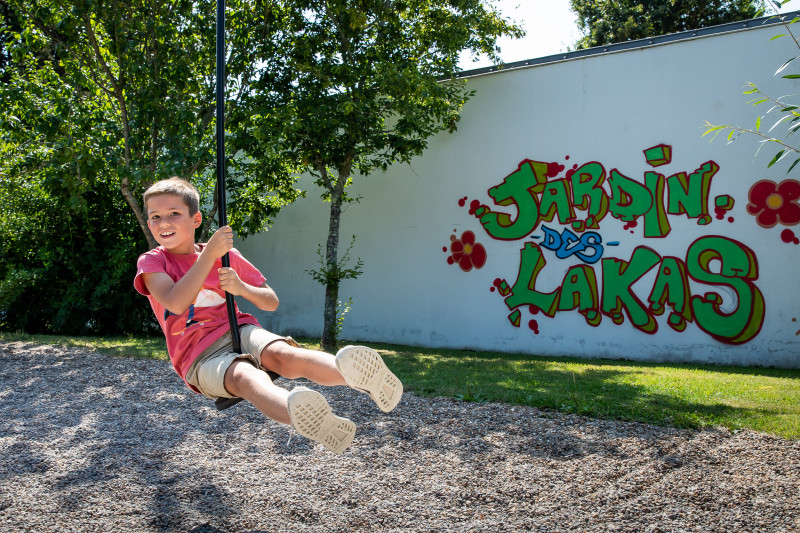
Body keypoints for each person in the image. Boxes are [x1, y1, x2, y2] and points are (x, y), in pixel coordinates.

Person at [133, 177, 402, 453]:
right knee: (245, 377)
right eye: (155, 217)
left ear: (196, 219)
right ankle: (304, 414)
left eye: (174, 213)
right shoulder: (153, 261)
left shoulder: (227, 256)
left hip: (239, 329)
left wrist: (241, 287)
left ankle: (356, 374)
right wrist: (210, 253)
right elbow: (176, 302)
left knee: (284, 355)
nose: (163, 222)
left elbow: (270, 301)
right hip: (199, 355)